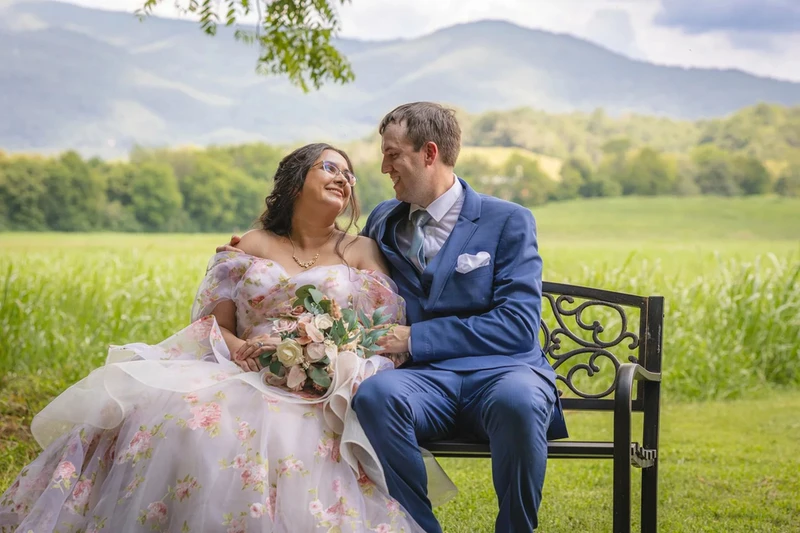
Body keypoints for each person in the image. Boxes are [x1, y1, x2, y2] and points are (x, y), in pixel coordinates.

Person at [0, 143, 439, 533]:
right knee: (183, 420)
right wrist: (238, 349)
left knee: (286, 437)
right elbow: (215, 324)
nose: (343, 178)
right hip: (240, 368)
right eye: (329, 167)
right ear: (295, 181)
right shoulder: (252, 243)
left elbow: (381, 328)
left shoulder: (360, 251)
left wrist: (315, 356)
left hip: (321, 381)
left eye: (349, 173)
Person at [221, 102, 569, 533]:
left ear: (429, 152)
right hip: (423, 382)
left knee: (518, 402)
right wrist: (253, 252)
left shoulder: (507, 220)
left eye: (393, 154)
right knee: (375, 395)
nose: (384, 167)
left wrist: (415, 337)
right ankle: (419, 527)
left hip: (502, 373)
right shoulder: (384, 219)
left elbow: (516, 326)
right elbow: (340, 268)